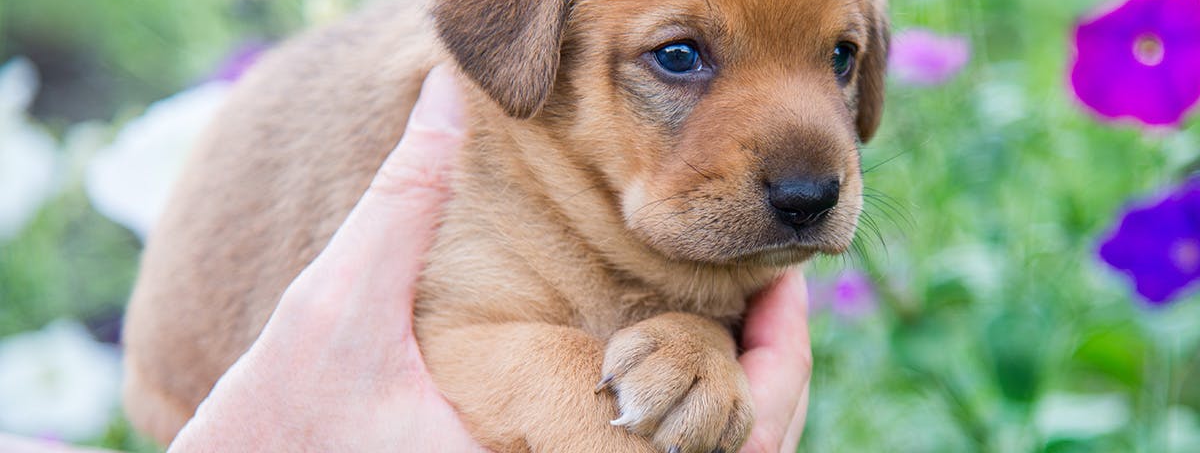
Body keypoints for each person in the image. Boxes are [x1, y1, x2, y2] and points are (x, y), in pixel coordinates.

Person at [3, 66, 813, 452]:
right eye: (678, 57)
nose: (815, 168)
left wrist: (700, 344)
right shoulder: (496, 165)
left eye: (843, 58)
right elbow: (466, 346)